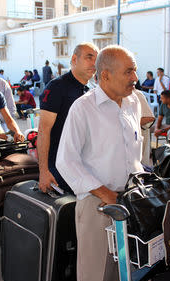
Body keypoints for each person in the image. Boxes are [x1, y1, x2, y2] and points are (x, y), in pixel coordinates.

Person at [56, 45, 142, 281]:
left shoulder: (134, 102)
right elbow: (66, 161)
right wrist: (106, 194)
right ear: (105, 75)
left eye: (134, 71)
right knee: (95, 280)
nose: (134, 78)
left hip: (129, 200)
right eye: (128, 72)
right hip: (98, 204)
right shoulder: (83, 108)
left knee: (124, 275)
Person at [37, 42, 99, 194]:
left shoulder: (92, 90)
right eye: (89, 57)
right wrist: (44, 171)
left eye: (96, 60)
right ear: (74, 59)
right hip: (59, 168)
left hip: (84, 166)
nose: (93, 63)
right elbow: (43, 131)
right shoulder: (56, 87)